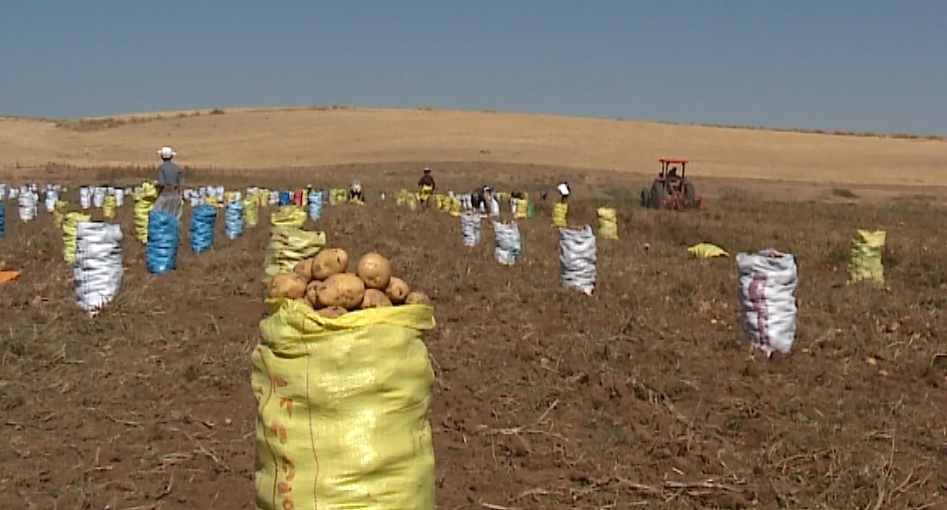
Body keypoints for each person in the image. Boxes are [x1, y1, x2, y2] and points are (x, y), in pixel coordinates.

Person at [153, 146, 183, 222]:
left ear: (162, 157)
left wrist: (155, 184)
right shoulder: (177, 168)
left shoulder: (162, 168)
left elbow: (162, 183)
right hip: (176, 195)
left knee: (158, 216)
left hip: (165, 195)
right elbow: (180, 183)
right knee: (175, 218)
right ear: (171, 156)